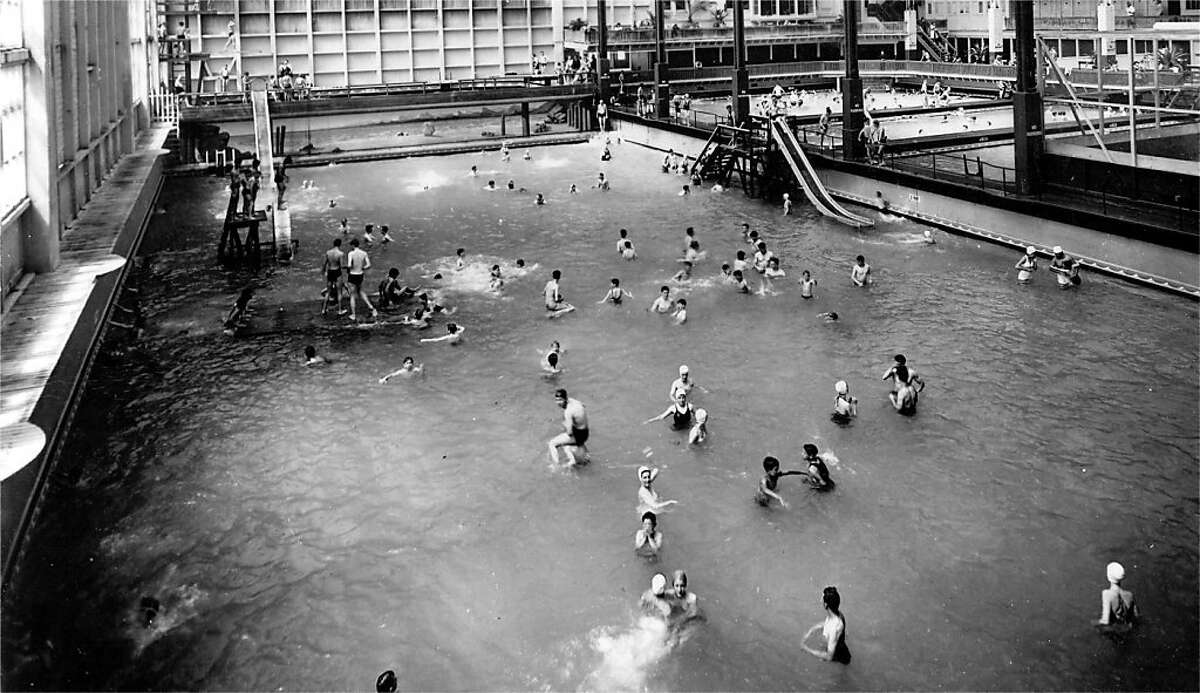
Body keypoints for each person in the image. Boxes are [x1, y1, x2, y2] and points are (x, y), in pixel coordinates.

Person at [803, 586, 851, 664]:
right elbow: (826, 624)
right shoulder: (836, 614)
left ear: (826, 605)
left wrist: (807, 649)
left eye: (822, 598)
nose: (820, 600)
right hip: (838, 647)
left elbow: (829, 656)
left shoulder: (834, 628)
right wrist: (812, 629)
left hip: (840, 659)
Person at [1094, 561, 1139, 632]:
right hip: (1127, 630)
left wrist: (1093, 623)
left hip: (1115, 632)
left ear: (1108, 576)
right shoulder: (1129, 595)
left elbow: (1105, 621)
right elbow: (1136, 616)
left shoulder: (1107, 594)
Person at [548, 388, 589, 465]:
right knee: (565, 440)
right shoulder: (574, 401)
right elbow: (583, 405)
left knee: (552, 443)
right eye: (556, 400)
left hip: (578, 435)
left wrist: (565, 423)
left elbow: (569, 433)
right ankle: (582, 454)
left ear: (565, 399)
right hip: (585, 432)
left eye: (560, 400)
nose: (558, 402)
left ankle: (556, 465)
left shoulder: (568, 412)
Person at [345, 238, 378, 321]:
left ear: (352, 245)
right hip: (360, 274)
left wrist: (347, 269)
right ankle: (371, 307)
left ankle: (353, 314)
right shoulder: (364, 253)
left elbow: (349, 265)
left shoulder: (351, 253)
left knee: (352, 295)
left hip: (352, 275)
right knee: (361, 291)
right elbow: (368, 265)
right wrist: (362, 268)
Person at [322, 238, 347, 316]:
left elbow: (324, 264)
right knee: (339, 292)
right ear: (340, 244)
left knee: (328, 291)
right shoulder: (340, 254)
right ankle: (340, 310)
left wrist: (323, 271)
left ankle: (324, 309)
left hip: (330, 271)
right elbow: (342, 265)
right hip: (337, 272)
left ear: (333, 244)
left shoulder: (328, 252)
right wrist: (348, 267)